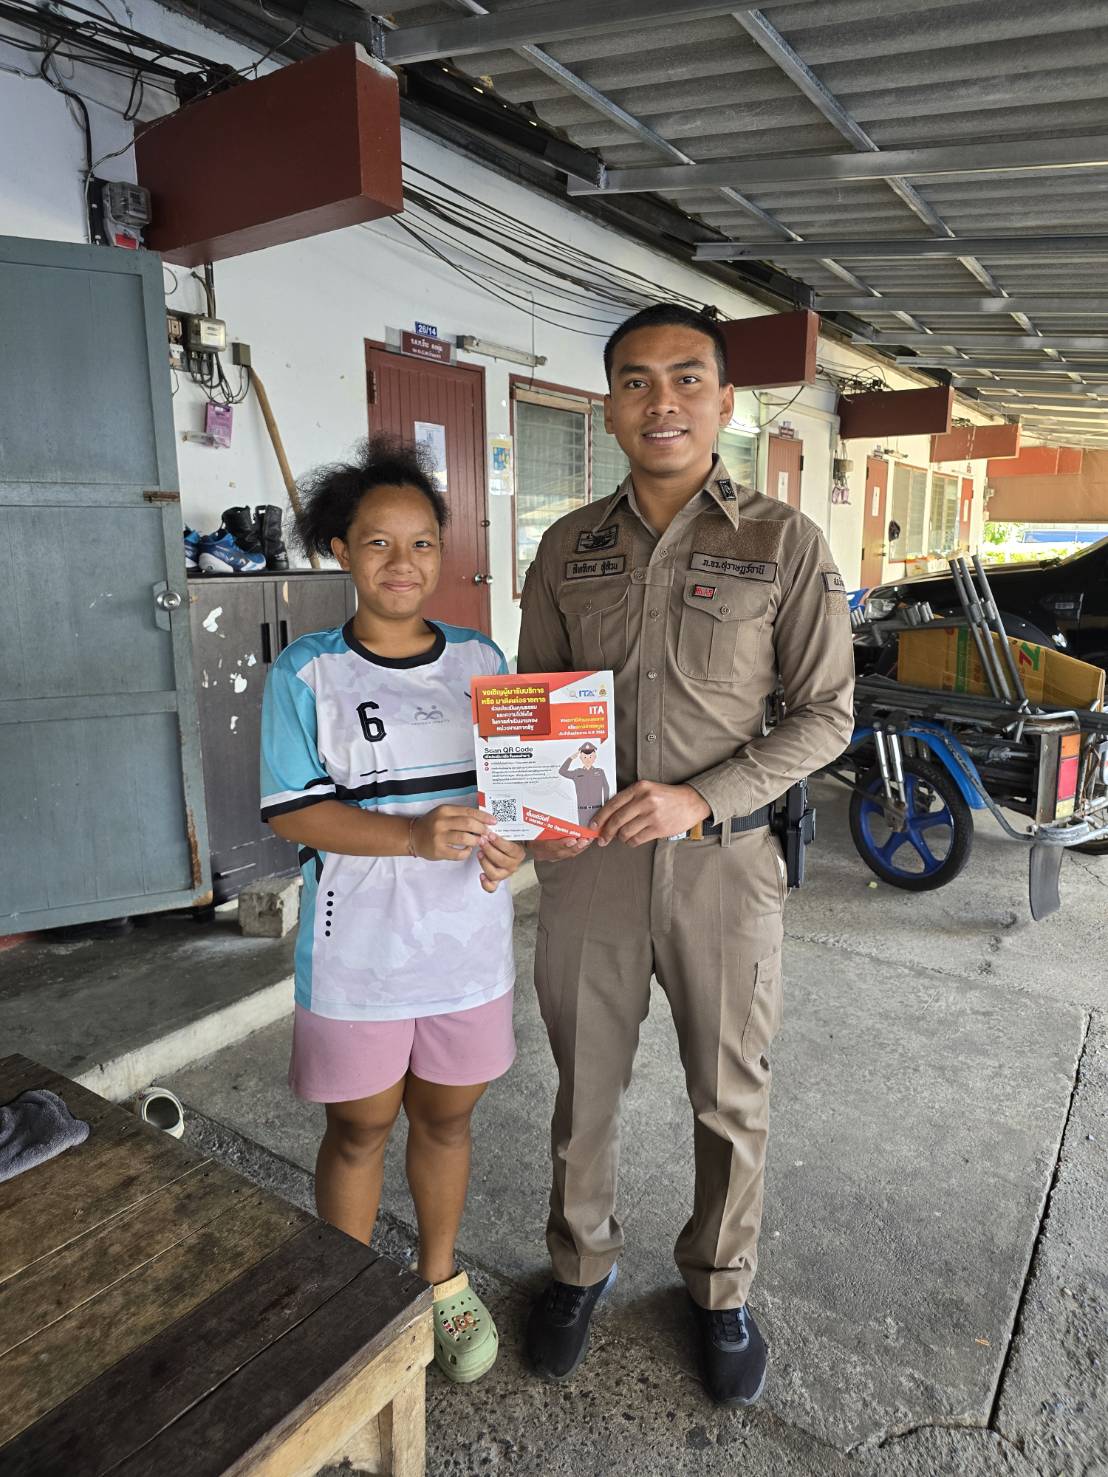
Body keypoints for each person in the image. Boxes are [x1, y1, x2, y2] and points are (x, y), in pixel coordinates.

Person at [517, 303, 855, 1405]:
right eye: (636, 380)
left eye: (685, 378)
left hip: (725, 866)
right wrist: (522, 820)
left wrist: (699, 797)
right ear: (609, 403)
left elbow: (826, 715)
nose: (660, 401)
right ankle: (579, 1266)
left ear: (723, 399)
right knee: (585, 1085)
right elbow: (533, 706)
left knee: (729, 1092)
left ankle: (719, 1285)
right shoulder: (568, 546)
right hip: (591, 866)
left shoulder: (782, 542)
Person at [259, 434, 526, 1385]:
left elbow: (518, 792)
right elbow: (293, 809)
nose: (402, 562)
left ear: (442, 552)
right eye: (378, 542)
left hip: (466, 952)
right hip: (359, 957)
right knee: (360, 1129)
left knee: (447, 1123)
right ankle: (349, 1301)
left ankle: (439, 1278)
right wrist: (412, 836)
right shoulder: (306, 673)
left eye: (421, 542)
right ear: (341, 550)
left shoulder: (483, 659)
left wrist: (519, 841)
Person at [558, 743, 611, 830]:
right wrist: (571, 758)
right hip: (582, 811)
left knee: (599, 832)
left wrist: (606, 805)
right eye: (585, 757)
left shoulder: (600, 772)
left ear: (595, 757)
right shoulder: (577, 772)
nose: (588, 759)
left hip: (598, 810)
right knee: (583, 833)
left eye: (590, 757)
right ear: (581, 758)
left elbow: (606, 787)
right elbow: (562, 771)